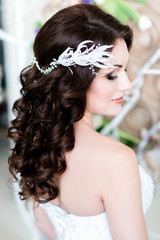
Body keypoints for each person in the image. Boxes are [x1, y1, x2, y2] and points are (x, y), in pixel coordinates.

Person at [8, 3, 154, 240]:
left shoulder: (36, 141)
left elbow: (47, 228)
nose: (127, 84)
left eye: (125, 69)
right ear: (72, 79)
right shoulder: (117, 160)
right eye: (112, 75)